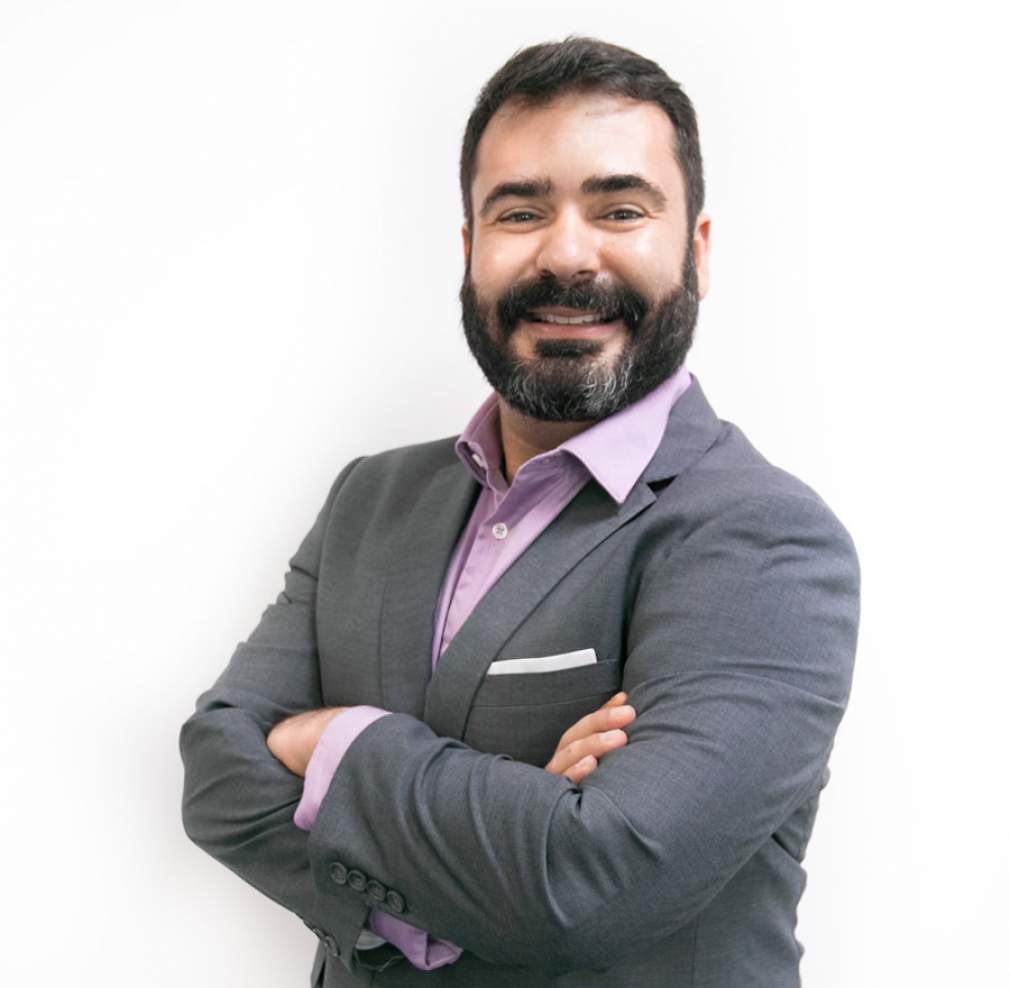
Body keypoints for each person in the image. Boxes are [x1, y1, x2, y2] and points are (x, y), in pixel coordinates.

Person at [179, 35, 860, 988]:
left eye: (620, 209)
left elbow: (590, 883)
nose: (567, 253)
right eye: (521, 212)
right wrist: (512, 830)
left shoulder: (767, 541)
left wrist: (333, 741)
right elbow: (217, 777)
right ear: (470, 251)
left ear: (697, 252)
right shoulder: (370, 497)